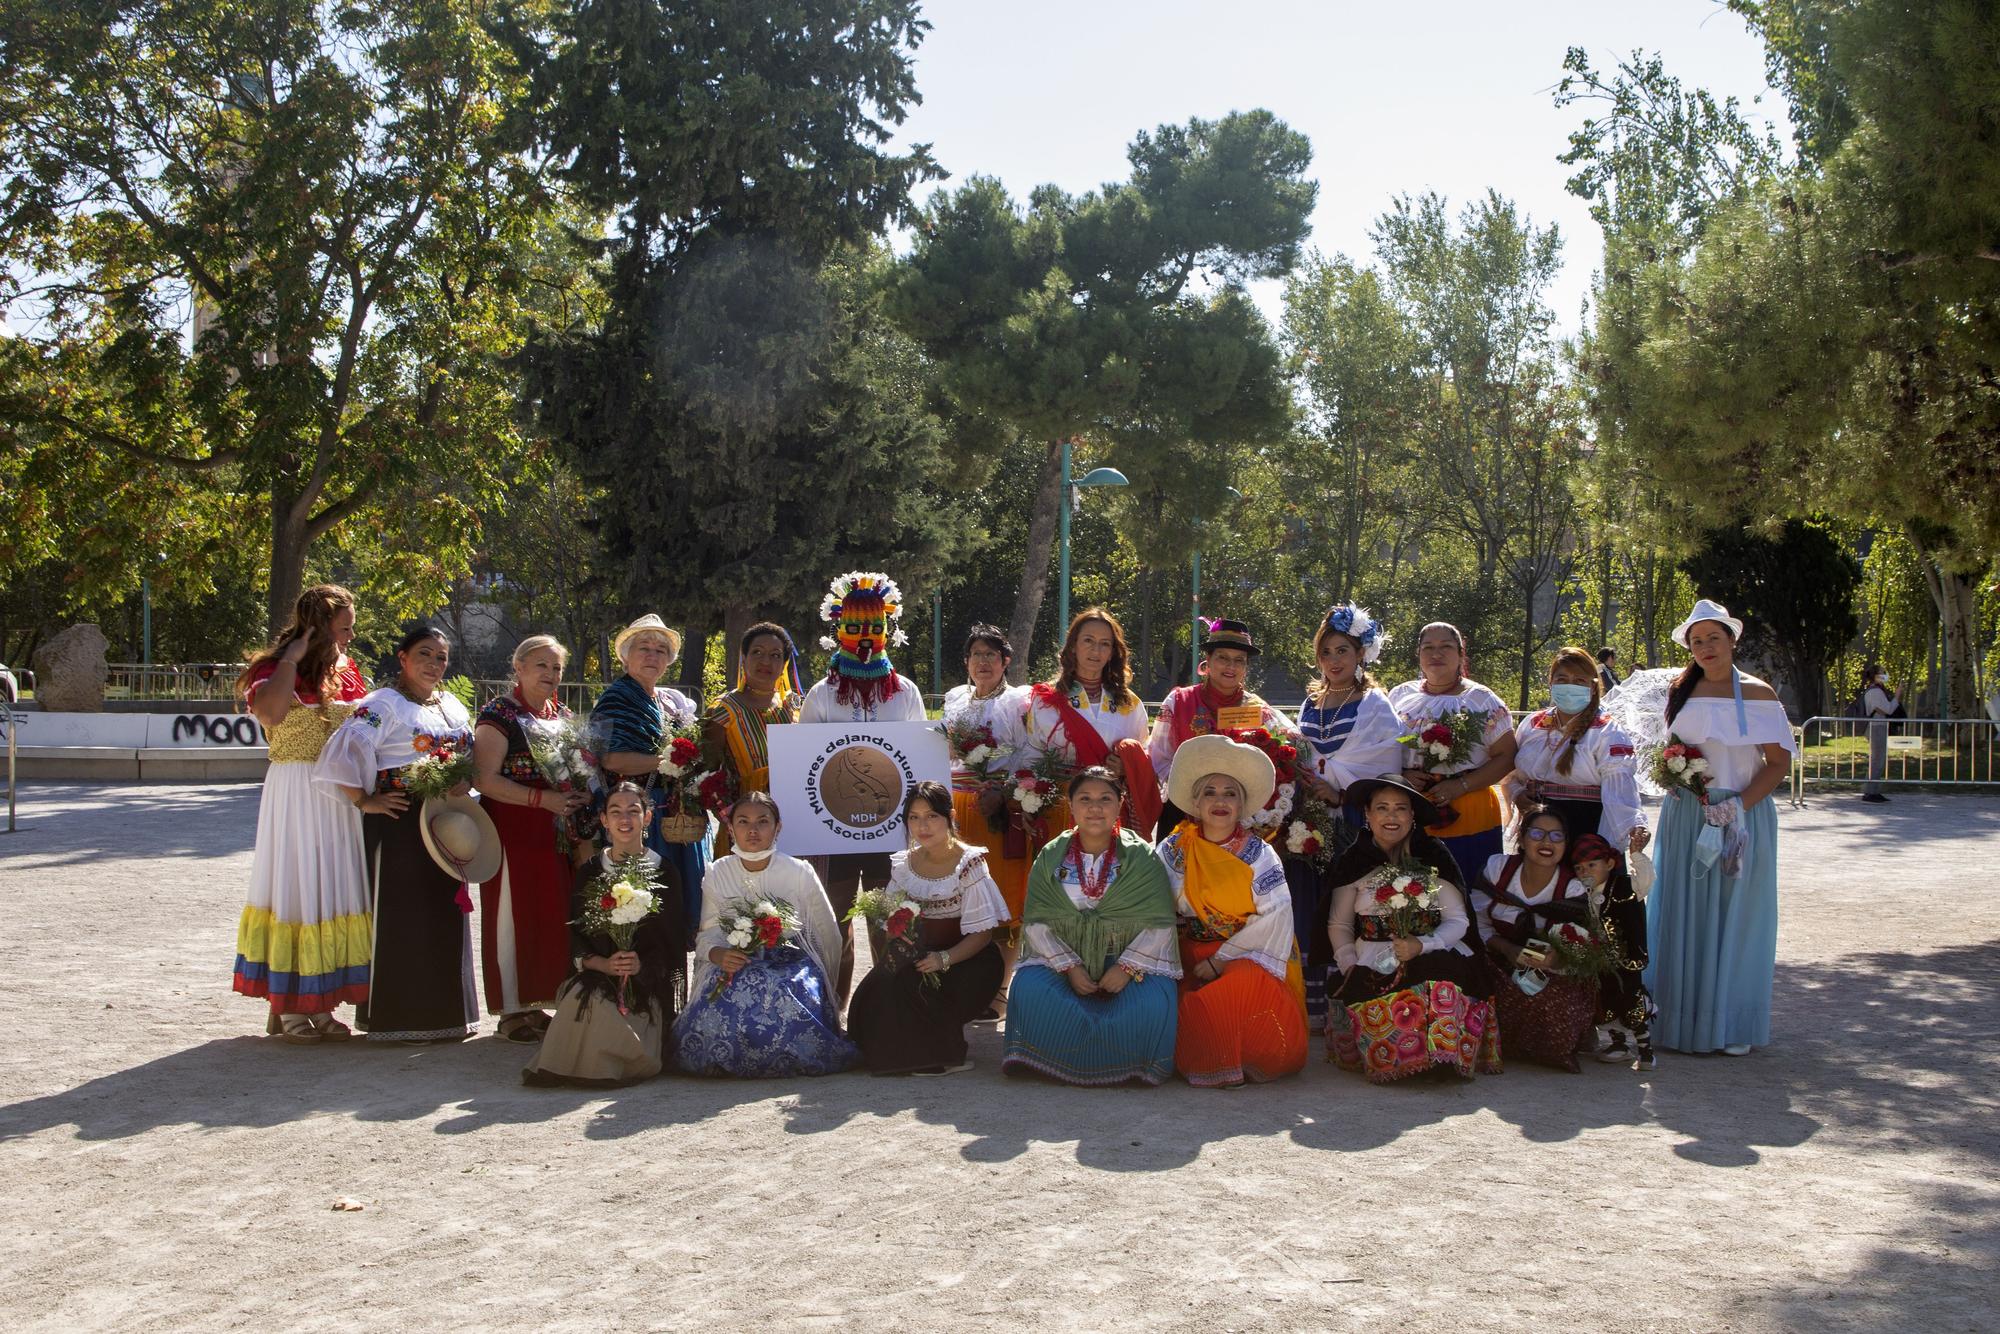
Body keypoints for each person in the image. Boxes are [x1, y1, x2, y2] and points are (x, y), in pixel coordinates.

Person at [315, 621, 480, 1043]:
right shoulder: (383, 704)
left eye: (441, 657)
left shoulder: (451, 706)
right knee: (402, 915)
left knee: (445, 911)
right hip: (400, 821)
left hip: (445, 821)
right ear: (403, 658)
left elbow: (468, 756)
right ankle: (397, 1017)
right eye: (424, 653)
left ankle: (446, 1015)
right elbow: (344, 750)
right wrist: (364, 800)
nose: (434, 663)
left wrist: (464, 781)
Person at [1645, 599, 1795, 1056]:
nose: (1705, 647)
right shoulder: (1679, 691)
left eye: (1714, 638)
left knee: (1737, 912)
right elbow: (1669, 752)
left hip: (1740, 813)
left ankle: (1730, 1021)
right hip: (1686, 813)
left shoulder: (1759, 694)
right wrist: (1675, 779)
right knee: (1681, 908)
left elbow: (1778, 763)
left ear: (1731, 640)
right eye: (1697, 641)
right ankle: (1676, 1017)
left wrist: (1738, 808)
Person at [232, 584, 372, 1043]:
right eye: (344, 628)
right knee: (297, 889)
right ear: (318, 628)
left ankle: (322, 1001)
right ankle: (288, 1003)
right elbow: (270, 716)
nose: (350, 637)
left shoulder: (347, 672)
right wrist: (291, 659)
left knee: (332, 891)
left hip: (339, 795)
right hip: (295, 790)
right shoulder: (272, 670)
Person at [1001, 767, 1181, 1086]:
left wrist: (1125, 969)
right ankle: (1050, 1059)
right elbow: (1037, 922)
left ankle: (1128, 1065)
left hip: (1127, 961)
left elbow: (1160, 924)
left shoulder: (1142, 857)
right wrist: (1070, 968)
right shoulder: (1051, 856)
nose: (1095, 808)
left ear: (1119, 804)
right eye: (1085, 798)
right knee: (1028, 987)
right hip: (1064, 961)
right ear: (1071, 806)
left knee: (1155, 999)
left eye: (1105, 799)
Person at [1315, 775, 1500, 1083]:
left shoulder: (1434, 856)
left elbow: (1458, 920)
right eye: (1382, 808)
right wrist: (1349, 964)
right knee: (1367, 984)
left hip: (1433, 949)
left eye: (1400, 808)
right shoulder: (1353, 860)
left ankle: (1438, 1058)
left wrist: (1423, 945)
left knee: (1439, 974)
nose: (1391, 816)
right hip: (1372, 957)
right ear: (1368, 815)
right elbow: (1339, 924)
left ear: (1412, 816)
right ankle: (1396, 1061)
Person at [799, 572, 927, 1005]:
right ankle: (831, 1010)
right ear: (838, 628)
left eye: (875, 627)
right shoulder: (821, 694)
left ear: (888, 629)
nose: (865, 637)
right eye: (854, 628)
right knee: (832, 922)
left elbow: (920, 765)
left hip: (889, 832)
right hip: (831, 833)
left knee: (887, 922)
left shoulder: (905, 693)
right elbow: (806, 765)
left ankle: (888, 1013)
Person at [1156, 735, 1308, 1088]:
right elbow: (1154, 903)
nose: (1220, 801)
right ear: (1195, 802)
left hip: (1246, 954)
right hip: (1187, 953)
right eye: (1210, 792)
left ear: (1242, 805)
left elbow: (1277, 914)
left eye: (1230, 793)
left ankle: (1229, 1058)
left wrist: (1221, 960)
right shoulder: (1173, 849)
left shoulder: (1259, 854)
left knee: (1230, 991)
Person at [673, 794, 857, 1077]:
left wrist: (826, 994)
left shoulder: (798, 872)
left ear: (778, 827)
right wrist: (718, 955)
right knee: (729, 993)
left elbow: (827, 936)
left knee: (781, 987)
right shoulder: (718, 872)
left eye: (763, 822)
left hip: (789, 962)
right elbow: (708, 934)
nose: (753, 831)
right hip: (733, 959)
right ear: (731, 829)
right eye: (743, 822)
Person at [472, 635, 595, 1044]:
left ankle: (540, 1002)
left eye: (556, 667)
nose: (550, 674)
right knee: (513, 912)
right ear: (518, 668)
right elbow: (484, 779)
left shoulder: (560, 713)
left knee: (552, 913)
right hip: (514, 826)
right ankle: (511, 1009)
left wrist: (577, 791)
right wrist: (543, 799)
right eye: (541, 665)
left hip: (557, 827)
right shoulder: (499, 714)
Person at [523, 783, 686, 1087]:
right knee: (590, 999)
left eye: (633, 811)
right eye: (616, 812)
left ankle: (612, 1062)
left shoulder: (666, 872)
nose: (625, 819)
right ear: (604, 821)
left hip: (645, 981)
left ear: (648, 817)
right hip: (598, 973)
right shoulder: (590, 871)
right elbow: (576, 934)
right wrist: (602, 964)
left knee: (613, 1015)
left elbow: (673, 945)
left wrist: (641, 966)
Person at [1291, 604, 1405, 1026]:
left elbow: (1386, 766)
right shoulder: (1308, 703)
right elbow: (1303, 757)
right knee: (1311, 906)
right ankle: (1312, 1006)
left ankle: (1354, 1006)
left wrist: (1341, 796)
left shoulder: (1375, 704)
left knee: (1350, 909)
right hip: (1307, 824)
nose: (1333, 661)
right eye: (1325, 652)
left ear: (1360, 655)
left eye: (1342, 651)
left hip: (1353, 824)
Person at [846, 781, 1007, 1075]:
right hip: (921, 957)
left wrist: (943, 959)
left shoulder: (969, 863)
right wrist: (904, 940)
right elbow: (891, 917)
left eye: (932, 816)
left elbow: (982, 934)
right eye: (914, 817)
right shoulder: (905, 864)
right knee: (876, 990)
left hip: (967, 961)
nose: (923, 825)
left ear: (951, 817)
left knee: (917, 987)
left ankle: (937, 1052)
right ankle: (904, 1050)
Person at [592, 614, 708, 937]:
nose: (652, 655)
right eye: (644, 647)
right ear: (626, 655)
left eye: (660, 650)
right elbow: (612, 759)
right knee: (644, 908)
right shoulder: (618, 697)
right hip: (640, 814)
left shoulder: (669, 701)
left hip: (674, 815)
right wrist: (667, 761)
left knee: (675, 905)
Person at [938, 624, 1031, 1003]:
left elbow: (1027, 754)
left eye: (991, 655)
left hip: (998, 807)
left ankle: (999, 990)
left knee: (1002, 897)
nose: (984, 662)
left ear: (1006, 661)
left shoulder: (1018, 702)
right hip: (958, 808)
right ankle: (963, 986)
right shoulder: (955, 698)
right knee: (961, 895)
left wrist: (1004, 789)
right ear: (966, 661)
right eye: (977, 654)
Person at [1388, 622, 1519, 891]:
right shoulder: (1399, 696)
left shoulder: (1482, 700)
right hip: (1411, 808)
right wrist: (1402, 776)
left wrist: (1460, 785)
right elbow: (1383, 749)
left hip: (1469, 808)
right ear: (1419, 654)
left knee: (1469, 892)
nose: (1436, 654)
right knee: (1412, 893)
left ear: (1461, 655)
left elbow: (1507, 757)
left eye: (1446, 647)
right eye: (1429, 648)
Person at [1473, 804, 1599, 1073]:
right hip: (1495, 957)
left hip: (1549, 969)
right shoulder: (1498, 870)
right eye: (1537, 834)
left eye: (1556, 836)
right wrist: (1507, 949)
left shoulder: (1573, 888)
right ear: (1521, 837)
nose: (1546, 843)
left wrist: (1556, 957)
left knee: (1552, 1004)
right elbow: (1476, 923)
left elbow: (1582, 948)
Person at [1144, 618, 1289, 837]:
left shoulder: (1258, 710)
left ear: (1246, 668)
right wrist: (1192, 795)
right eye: (1223, 658)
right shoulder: (1178, 702)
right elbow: (1159, 758)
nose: (1231, 666)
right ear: (1208, 661)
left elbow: (1292, 744)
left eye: (1239, 660)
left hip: (1236, 819)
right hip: (1184, 813)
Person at [1019, 608, 1153, 839]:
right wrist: (1025, 799)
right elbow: (1032, 752)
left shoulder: (1130, 704)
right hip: (1057, 806)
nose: (1095, 650)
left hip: (1106, 810)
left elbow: (1145, 755)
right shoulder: (1045, 700)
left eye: (1104, 644)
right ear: (1073, 646)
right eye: (1088, 640)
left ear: (1113, 652)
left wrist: (1126, 767)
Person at [1507, 646, 1651, 859]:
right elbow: (1513, 774)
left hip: (1586, 833)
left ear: (1593, 687)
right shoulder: (1533, 725)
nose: (1569, 686)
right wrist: (1518, 795)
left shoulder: (1607, 731)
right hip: (1537, 833)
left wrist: (1634, 826)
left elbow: (1620, 792)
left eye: (1579, 681)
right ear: (1551, 683)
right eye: (1562, 679)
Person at [699, 621, 805, 852]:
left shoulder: (794, 707)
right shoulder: (723, 710)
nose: (766, 661)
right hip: (745, 825)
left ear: (784, 663)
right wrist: (730, 815)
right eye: (757, 652)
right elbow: (706, 773)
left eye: (775, 655)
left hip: (795, 822)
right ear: (743, 658)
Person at [1572, 833, 1655, 1070]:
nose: (1585, 871)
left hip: (1627, 961)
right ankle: (1618, 1044)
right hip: (1600, 964)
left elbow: (1647, 879)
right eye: (1579, 867)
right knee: (1605, 1002)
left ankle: (1645, 1049)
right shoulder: (1580, 895)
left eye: (1591, 865)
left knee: (1631, 1001)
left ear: (1609, 864)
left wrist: (1637, 856)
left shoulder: (1626, 886)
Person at [1861, 664, 1898, 804]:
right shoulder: (1875, 692)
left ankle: (1873, 789)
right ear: (1876, 675)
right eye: (1883, 672)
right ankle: (1871, 791)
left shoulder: (1877, 690)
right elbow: (1888, 709)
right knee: (1877, 759)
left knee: (1877, 759)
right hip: (1876, 727)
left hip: (1879, 726)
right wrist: (1897, 696)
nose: (1885, 675)